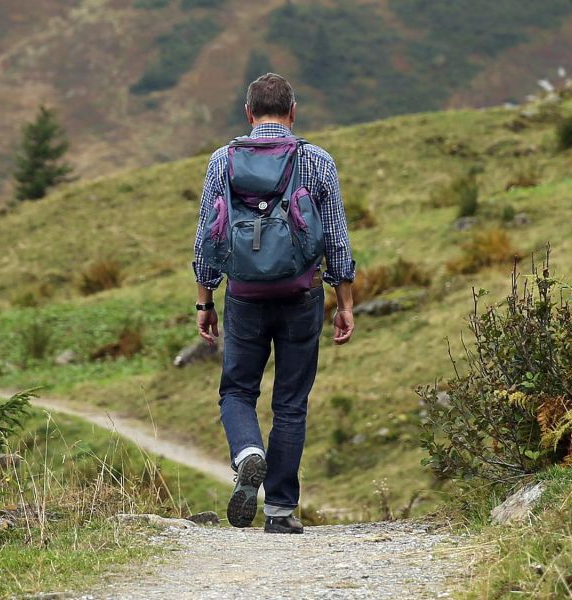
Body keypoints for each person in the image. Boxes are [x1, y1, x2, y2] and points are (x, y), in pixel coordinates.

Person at [192, 73, 356, 534]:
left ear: (248, 113)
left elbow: (208, 235)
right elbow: (337, 239)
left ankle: (248, 453)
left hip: (243, 295)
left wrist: (205, 300)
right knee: (290, 401)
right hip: (301, 294)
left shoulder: (222, 161)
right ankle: (280, 510)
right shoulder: (316, 160)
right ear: (293, 111)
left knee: (237, 390)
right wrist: (344, 302)